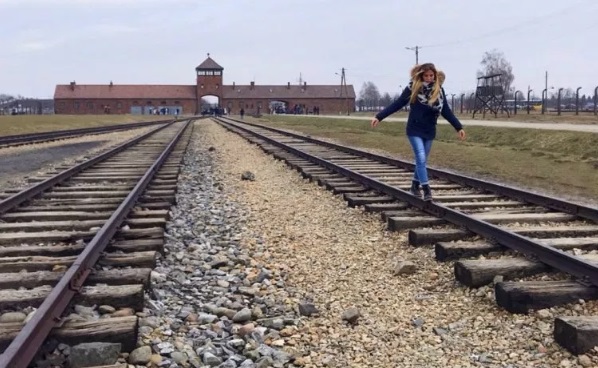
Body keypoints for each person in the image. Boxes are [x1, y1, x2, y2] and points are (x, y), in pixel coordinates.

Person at [371, 63, 466, 201]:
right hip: (414, 129)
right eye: (426, 75)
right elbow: (398, 103)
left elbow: (446, 111)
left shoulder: (439, 91)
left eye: (431, 75)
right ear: (421, 75)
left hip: (429, 129)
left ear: (434, 76)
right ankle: (426, 189)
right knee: (421, 158)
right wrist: (379, 116)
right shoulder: (413, 88)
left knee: (422, 161)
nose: (428, 78)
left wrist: (458, 127)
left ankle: (414, 186)